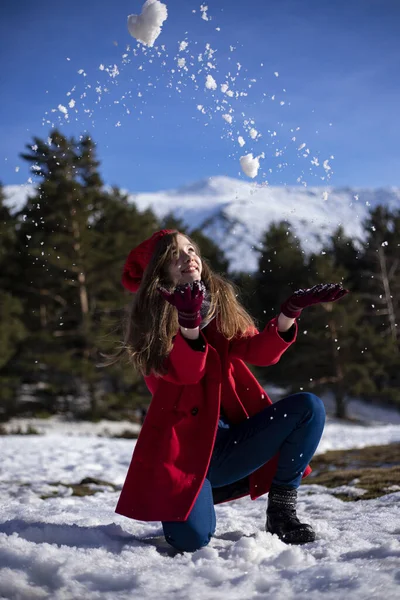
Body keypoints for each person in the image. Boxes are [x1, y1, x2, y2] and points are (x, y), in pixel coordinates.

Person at [111, 229, 348, 552]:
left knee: (308, 407)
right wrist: (188, 324)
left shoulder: (216, 307)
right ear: (158, 271)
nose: (188, 256)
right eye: (174, 254)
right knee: (190, 540)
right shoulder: (149, 328)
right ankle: (197, 497)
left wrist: (289, 313)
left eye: (191, 249)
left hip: (233, 444)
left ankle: (281, 512)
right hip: (188, 457)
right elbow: (187, 373)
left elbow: (259, 353)